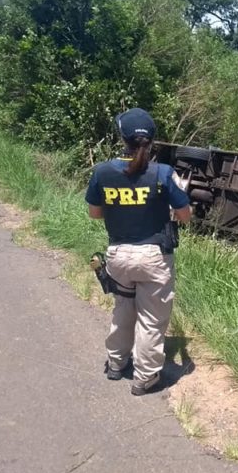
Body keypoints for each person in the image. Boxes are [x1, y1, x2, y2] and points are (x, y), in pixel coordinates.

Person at [85, 108, 191, 396]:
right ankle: (144, 379)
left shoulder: (103, 172)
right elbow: (185, 215)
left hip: (119, 254)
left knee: (123, 309)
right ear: (152, 141)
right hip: (154, 258)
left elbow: (95, 214)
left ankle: (116, 364)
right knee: (151, 320)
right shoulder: (164, 173)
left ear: (122, 138)